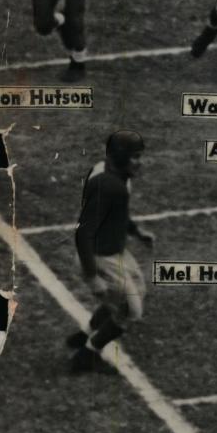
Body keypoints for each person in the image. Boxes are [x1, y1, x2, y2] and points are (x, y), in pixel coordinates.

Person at [67, 131, 155, 374]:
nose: (140, 162)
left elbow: (117, 213)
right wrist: (92, 276)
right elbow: (83, 232)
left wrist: (136, 231)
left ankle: (84, 335)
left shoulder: (112, 174)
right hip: (101, 258)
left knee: (133, 293)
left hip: (114, 251)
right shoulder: (108, 186)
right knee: (131, 310)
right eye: (135, 157)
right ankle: (88, 353)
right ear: (120, 156)